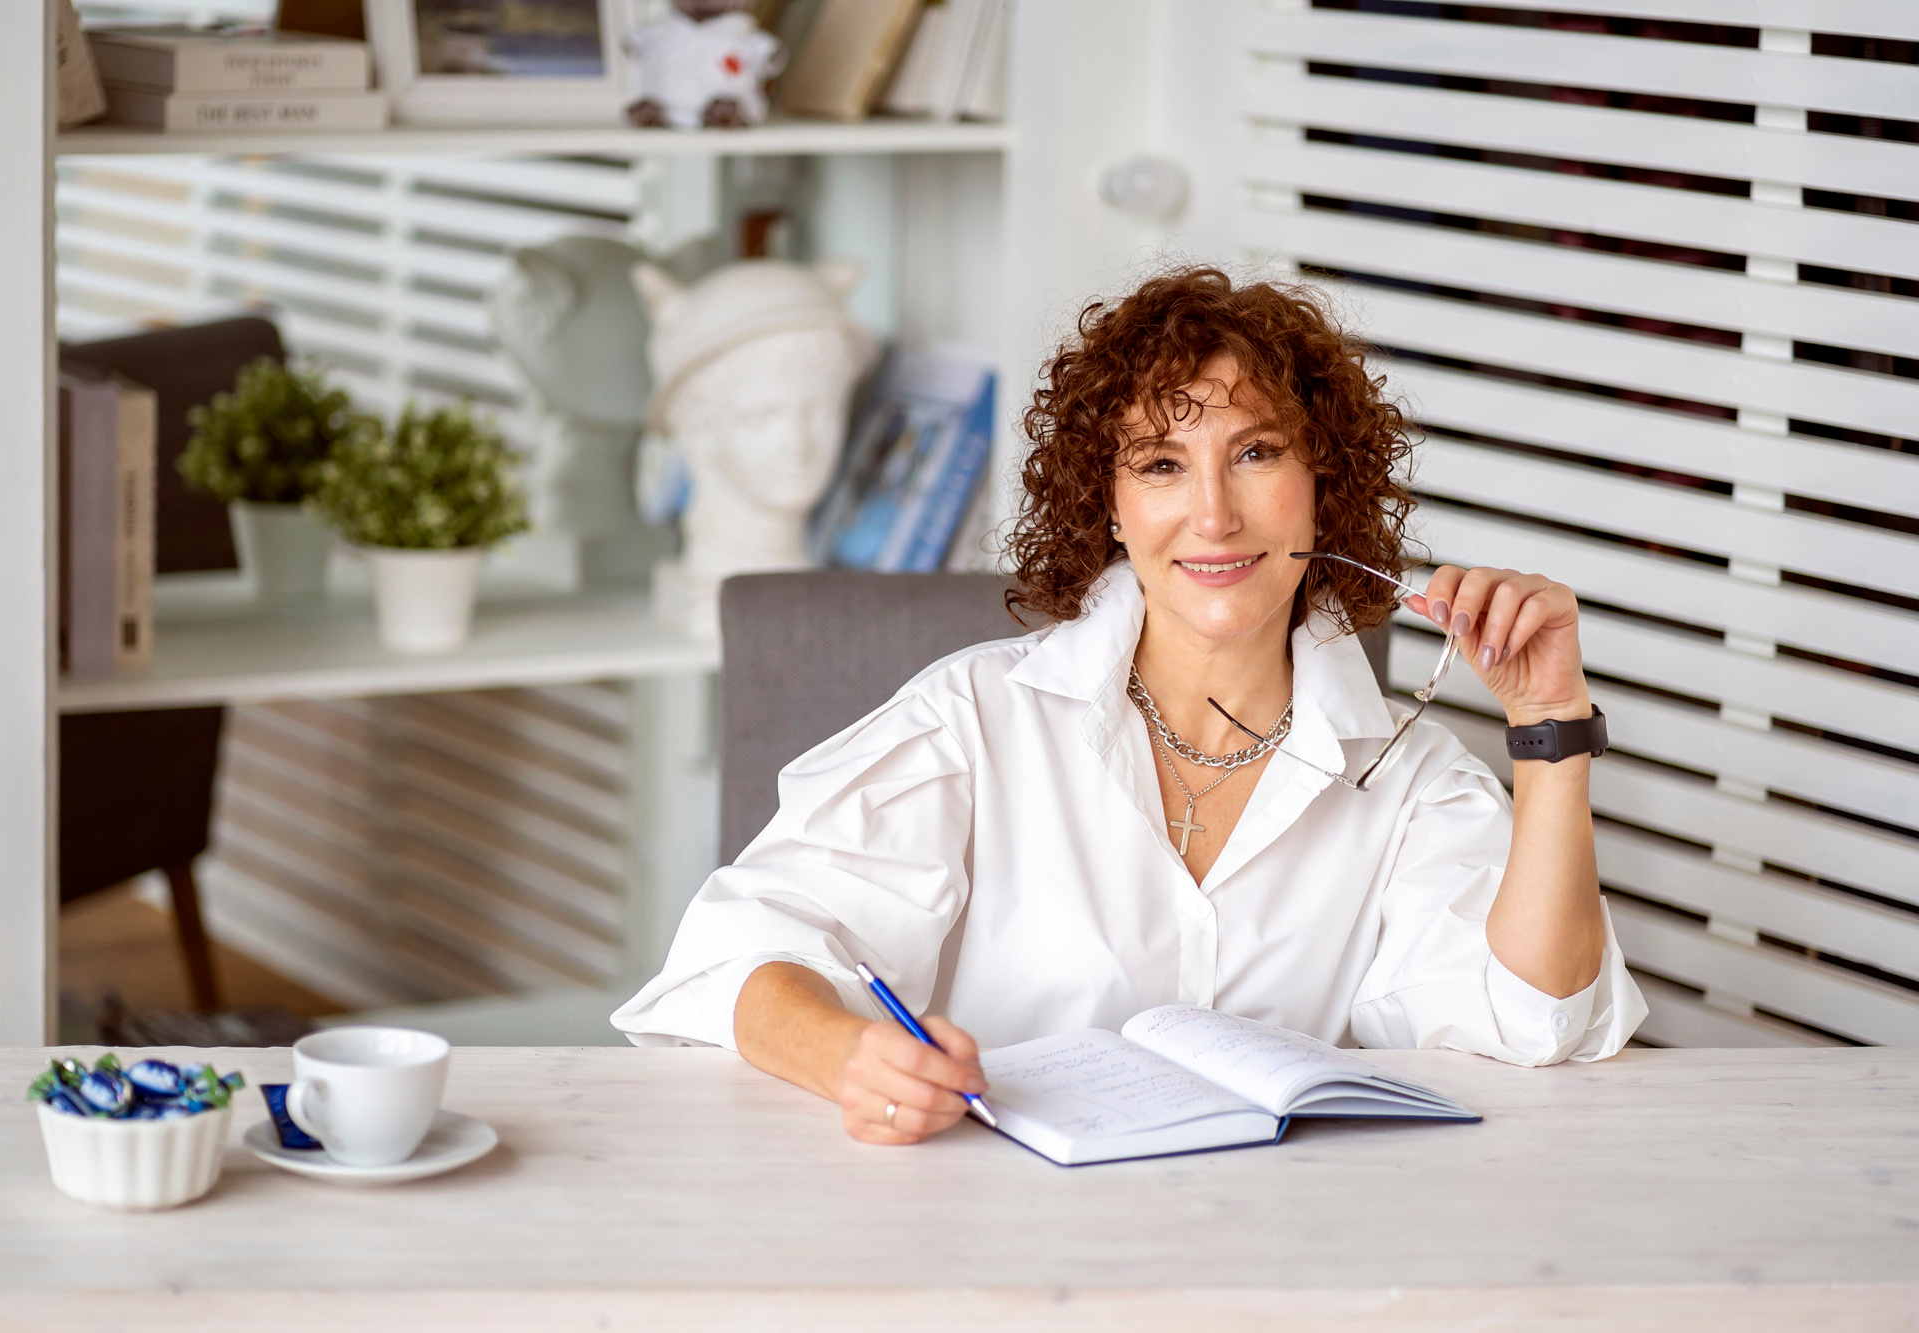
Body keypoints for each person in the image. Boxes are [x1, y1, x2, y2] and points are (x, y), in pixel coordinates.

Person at [612, 267, 1645, 1145]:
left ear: (1321, 481)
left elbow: (1533, 1020)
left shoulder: (1412, 778)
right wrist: (852, 1056)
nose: (1213, 514)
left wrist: (1549, 726)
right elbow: (735, 953)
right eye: (1160, 464)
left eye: (1255, 452)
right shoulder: (973, 720)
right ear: (1109, 504)